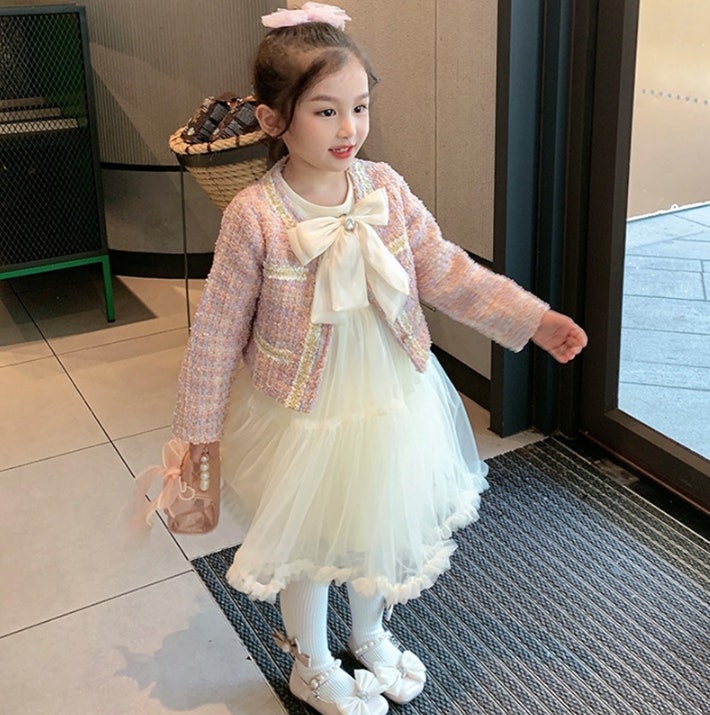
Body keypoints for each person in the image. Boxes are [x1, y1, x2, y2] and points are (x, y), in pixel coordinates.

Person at [172, 3, 588, 713]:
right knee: (309, 535)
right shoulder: (255, 215)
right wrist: (196, 434)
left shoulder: (384, 186)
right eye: (325, 111)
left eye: (359, 107)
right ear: (274, 119)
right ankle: (310, 660)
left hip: (391, 388)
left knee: (376, 518)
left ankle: (367, 634)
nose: (349, 129)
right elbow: (215, 331)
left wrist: (532, 318)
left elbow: (445, 270)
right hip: (302, 405)